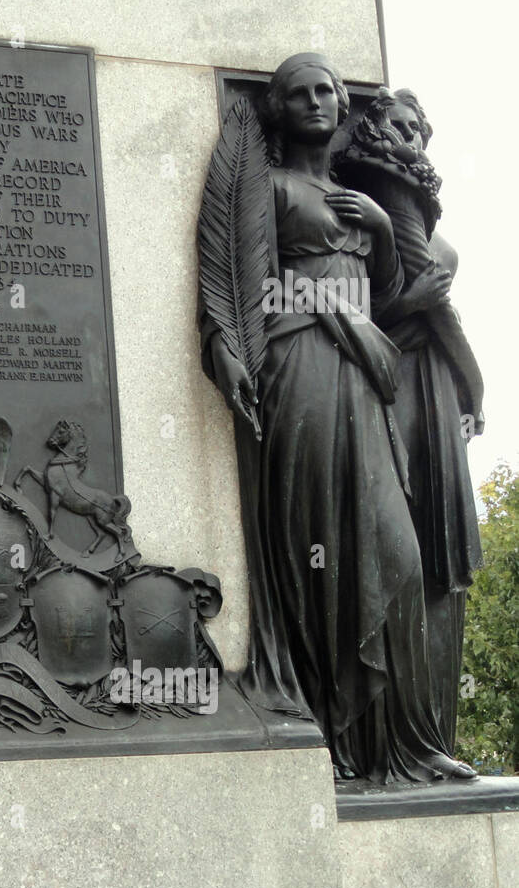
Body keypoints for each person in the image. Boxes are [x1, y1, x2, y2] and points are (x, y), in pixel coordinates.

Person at [201, 53, 474, 782]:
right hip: (305, 367)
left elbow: (385, 298)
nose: (319, 100)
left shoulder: (357, 199)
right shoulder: (274, 187)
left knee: (400, 557)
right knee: (328, 539)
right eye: (299, 94)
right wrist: (224, 344)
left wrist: (384, 230)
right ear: (279, 111)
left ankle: (408, 746)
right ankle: (340, 741)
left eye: (327, 90)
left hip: (367, 374)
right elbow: (243, 278)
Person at [335, 88, 484, 754]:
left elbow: (432, 309)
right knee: (403, 553)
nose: (409, 138)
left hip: (432, 388)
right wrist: (477, 385)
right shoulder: (378, 196)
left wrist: (468, 389)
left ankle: (432, 736)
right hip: (399, 387)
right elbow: (365, 317)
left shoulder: (408, 204)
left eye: (418, 130)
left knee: (437, 564)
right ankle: (394, 735)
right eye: (397, 125)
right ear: (373, 126)